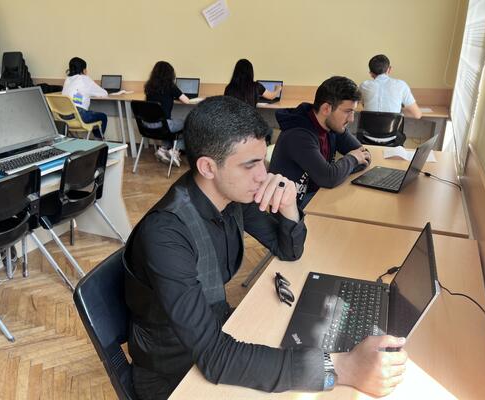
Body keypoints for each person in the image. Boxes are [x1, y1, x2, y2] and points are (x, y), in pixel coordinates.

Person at [123, 95, 407, 399]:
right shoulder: (166, 235)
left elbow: (288, 251)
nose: (264, 175)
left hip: (215, 334)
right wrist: (340, 367)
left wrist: (289, 206)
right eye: (251, 165)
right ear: (208, 167)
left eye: (262, 160)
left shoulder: (230, 193)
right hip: (174, 372)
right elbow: (215, 358)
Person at [269, 76, 371, 208]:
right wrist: (351, 160)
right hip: (292, 205)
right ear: (326, 108)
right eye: (347, 111)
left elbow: (364, 155)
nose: (351, 119)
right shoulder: (298, 135)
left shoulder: (333, 126)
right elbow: (328, 178)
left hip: (318, 193)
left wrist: (338, 172)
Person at [144, 61, 190, 167]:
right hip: (163, 125)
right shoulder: (170, 86)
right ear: (170, 74)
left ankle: (163, 149)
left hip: (147, 125)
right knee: (188, 123)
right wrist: (175, 96)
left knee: (168, 122)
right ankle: (175, 150)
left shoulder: (148, 87)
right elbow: (186, 101)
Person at [224, 59, 280, 144]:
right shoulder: (256, 86)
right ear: (250, 72)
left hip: (233, 126)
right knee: (270, 131)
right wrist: (278, 89)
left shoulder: (229, 88)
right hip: (251, 126)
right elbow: (271, 96)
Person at [359, 54, 422, 119]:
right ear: (389, 69)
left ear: (371, 74)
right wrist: (397, 110)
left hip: (367, 125)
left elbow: (364, 105)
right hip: (392, 125)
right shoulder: (401, 85)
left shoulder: (363, 86)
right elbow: (417, 115)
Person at [61, 57, 108, 139]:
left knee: (90, 113)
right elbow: (104, 93)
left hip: (64, 117)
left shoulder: (67, 79)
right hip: (79, 117)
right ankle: (98, 140)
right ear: (84, 70)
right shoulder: (84, 78)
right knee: (103, 116)